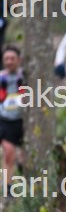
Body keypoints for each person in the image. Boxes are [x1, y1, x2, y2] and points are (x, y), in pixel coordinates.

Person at [0, 45, 25, 197]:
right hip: (5, 120)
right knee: (9, 154)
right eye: (6, 59)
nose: (9, 61)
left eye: (12, 58)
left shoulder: (25, 77)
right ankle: (8, 189)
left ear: (19, 60)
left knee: (23, 158)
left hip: (23, 121)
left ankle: (25, 182)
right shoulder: (1, 77)